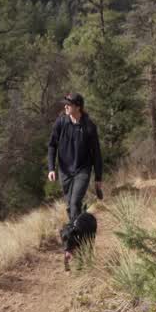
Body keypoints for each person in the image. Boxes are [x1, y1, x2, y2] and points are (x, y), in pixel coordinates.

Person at [47, 92, 103, 225]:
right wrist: (51, 168)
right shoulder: (61, 122)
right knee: (70, 204)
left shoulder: (89, 126)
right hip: (65, 170)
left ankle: (74, 235)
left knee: (74, 202)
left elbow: (96, 153)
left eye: (69, 105)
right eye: (65, 104)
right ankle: (80, 227)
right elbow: (52, 145)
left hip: (82, 169)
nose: (65, 107)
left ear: (78, 107)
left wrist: (98, 177)